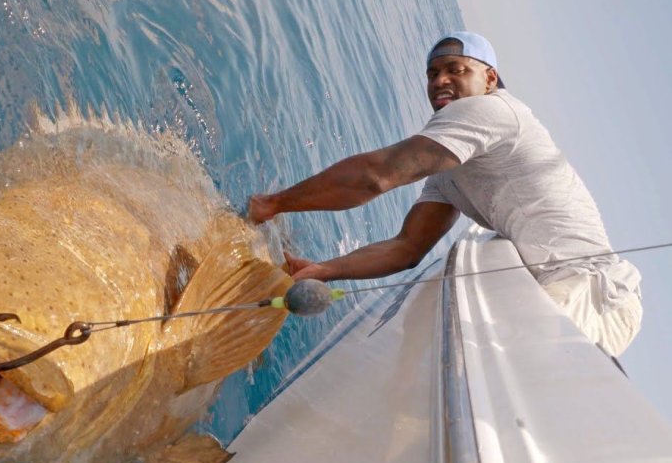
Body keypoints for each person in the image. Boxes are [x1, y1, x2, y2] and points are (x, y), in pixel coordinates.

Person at [248, 31, 642, 358]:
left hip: (589, 291)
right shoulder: (451, 170)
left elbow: (376, 176)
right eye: (433, 72)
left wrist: (273, 205)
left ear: (490, 80)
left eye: (457, 70)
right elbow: (406, 247)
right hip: (560, 287)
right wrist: (324, 270)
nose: (440, 81)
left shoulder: (491, 112)